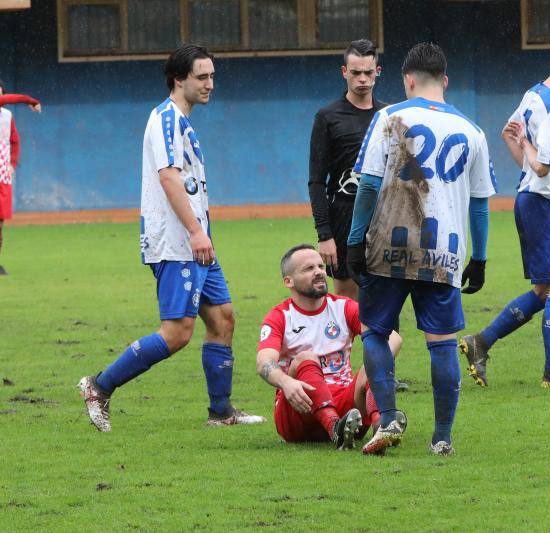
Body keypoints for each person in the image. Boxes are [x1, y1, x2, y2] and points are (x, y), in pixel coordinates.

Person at [78, 44, 265, 431]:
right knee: (177, 333)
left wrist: (202, 234)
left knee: (224, 319)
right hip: (178, 243)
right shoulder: (165, 119)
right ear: (179, 79)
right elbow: (168, 177)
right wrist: (196, 232)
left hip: (197, 243)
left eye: (212, 75)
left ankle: (221, 412)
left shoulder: (182, 121)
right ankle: (99, 386)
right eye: (202, 76)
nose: (210, 83)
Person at [347, 42, 497, 456]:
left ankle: (390, 415)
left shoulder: (388, 117)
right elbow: (480, 203)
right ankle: (442, 436)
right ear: (444, 81)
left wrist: (355, 240)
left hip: (390, 243)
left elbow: (370, 184)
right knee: (443, 342)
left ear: (407, 80)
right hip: (443, 250)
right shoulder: (473, 131)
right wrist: (479, 258)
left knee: (375, 331)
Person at [459, 38, 550, 390]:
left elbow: (508, 134)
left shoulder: (532, 95)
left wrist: (522, 146)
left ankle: (481, 342)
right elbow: (540, 167)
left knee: (542, 289)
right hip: (546, 203)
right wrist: (527, 147)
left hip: (530, 200)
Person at [256, 244, 402, 449]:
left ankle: (383, 425)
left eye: (321, 266)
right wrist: (286, 383)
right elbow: (264, 362)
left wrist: (375, 365)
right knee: (306, 358)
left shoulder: (343, 307)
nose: (318, 272)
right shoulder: (280, 316)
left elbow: (393, 338)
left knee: (373, 365)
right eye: (308, 269)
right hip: (299, 409)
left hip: (348, 411)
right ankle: (335, 428)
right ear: (288, 281)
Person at [308, 39, 386, 301]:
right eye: (355, 73)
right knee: (347, 304)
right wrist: (325, 235)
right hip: (344, 217)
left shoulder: (390, 116)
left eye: (368, 72)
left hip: (385, 218)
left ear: (378, 71)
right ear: (345, 72)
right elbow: (316, 181)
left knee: (386, 302)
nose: (362, 79)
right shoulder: (328, 117)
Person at [0, 82, 42, 275]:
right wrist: (30, 101)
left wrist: (12, 164)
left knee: (0, 222)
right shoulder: (6, 102)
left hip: (2, 174)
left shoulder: (7, 117)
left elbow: (14, 142)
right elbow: (12, 99)